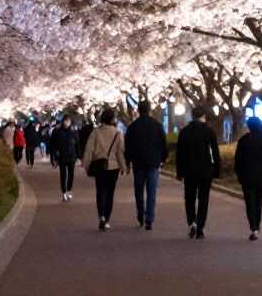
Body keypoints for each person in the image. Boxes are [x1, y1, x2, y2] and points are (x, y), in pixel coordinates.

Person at [175, 105, 222, 239]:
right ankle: (200, 228)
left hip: (189, 170)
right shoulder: (209, 132)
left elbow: (180, 154)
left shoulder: (185, 132)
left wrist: (180, 172)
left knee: (189, 198)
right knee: (203, 199)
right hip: (205, 170)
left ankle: (192, 222)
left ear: (192, 116)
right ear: (203, 116)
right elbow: (215, 153)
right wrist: (216, 171)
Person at [123, 98, 168, 232]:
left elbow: (128, 146)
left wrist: (128, 160)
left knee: (138, 189)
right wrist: (163, 159)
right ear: (149, 110)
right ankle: (149, 218)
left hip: (138, 162)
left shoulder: (133, 126)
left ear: (138, 110)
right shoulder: (157, 125)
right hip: (153, 162)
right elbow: (163, 144)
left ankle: (140, 211)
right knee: (151, 190)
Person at [81, 105, 127, 230]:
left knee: (100, 191)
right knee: (110, 193)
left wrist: (85, 163)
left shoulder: (96, 132)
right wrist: (123, 167)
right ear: (112, 119)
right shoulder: (118, 133)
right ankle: (106, 220)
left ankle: (101, 215)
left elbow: (89, 148)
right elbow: (120, 153)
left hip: (99, 165)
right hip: (113, 167)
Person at [234, 117, 262, 240]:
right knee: (258, 202)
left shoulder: (243, 141)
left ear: (249, 126)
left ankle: (254, 227)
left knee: (250, 202)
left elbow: (238, 160)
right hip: (261, 176)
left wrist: (239, 175)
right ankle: (257, 225)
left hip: (247, 176)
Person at [49, 115, 78, 200]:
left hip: (72, 156)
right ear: (62, 121)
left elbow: (77, 144)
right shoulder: (57, 131)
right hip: (61, 156)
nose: (66, 122)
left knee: (71, 174)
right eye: (65, 120)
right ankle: (64, 192)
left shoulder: (73, 132)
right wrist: (53, 156)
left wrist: (79, 155)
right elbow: (52, 144)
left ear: (70, 122)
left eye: (68, 120)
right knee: (63, 174)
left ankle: (69, 190)